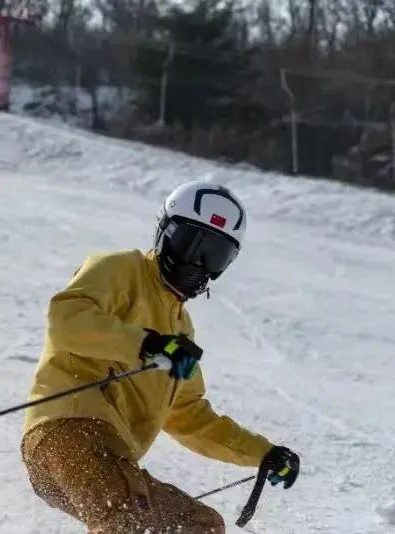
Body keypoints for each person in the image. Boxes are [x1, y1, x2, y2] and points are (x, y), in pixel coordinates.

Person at [21, 181, 300, 533]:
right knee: (127, 522)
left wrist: (262, 453)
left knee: (201, 525)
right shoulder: (121, 270)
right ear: (165, 232)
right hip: (67, 432)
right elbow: (66, 320)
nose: (196, 264)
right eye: (191, 245)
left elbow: (189, 415)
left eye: (214, 256)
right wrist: (146, 345)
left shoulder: (181, 332)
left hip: (112, 458)